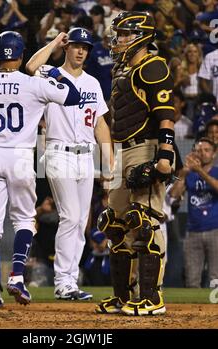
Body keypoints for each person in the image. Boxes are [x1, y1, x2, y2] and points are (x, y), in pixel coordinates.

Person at [0, 30, 81, 308]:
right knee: (24, 221)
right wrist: (55, 75)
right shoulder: (32, 84)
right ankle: (17, 277)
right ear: (21, 54)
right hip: (21, 156)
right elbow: (73, 97)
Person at [95, 11, 175, 316]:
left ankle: (152, 298)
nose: (120, 40)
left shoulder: (153, 65)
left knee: (145, 221)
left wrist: (165, 155)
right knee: (114, 223)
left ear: (141, 36)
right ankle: (123, 297)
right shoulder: (121, 68)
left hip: (146, 147)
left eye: (126, 34)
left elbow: (166, 113)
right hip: (121, 150)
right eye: (120, 34)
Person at [26, 27, 113, 300]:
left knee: (80, 221)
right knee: (71, 216)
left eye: (85, 47)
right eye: (76, 45)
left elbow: (100, 124)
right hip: (58, 152)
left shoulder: (92, 83)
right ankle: (63, 281)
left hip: (86, 155)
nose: (80, 51)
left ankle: (70, 281)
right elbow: (30, 66)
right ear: (67, 47)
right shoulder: (50, 75)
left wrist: (110, 163)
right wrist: (53, 41)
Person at [170, 137, 218, 288]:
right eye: (198, 150)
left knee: (215, 279)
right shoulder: (190, 174)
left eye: (206, 150)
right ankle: (193, 312)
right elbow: (174, 195)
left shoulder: (216, 171)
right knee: (192, 279)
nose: (202, 153)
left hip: (215, 230)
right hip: (192, 232)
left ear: (214, 154)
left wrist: (200, 171)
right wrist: (183, 174)